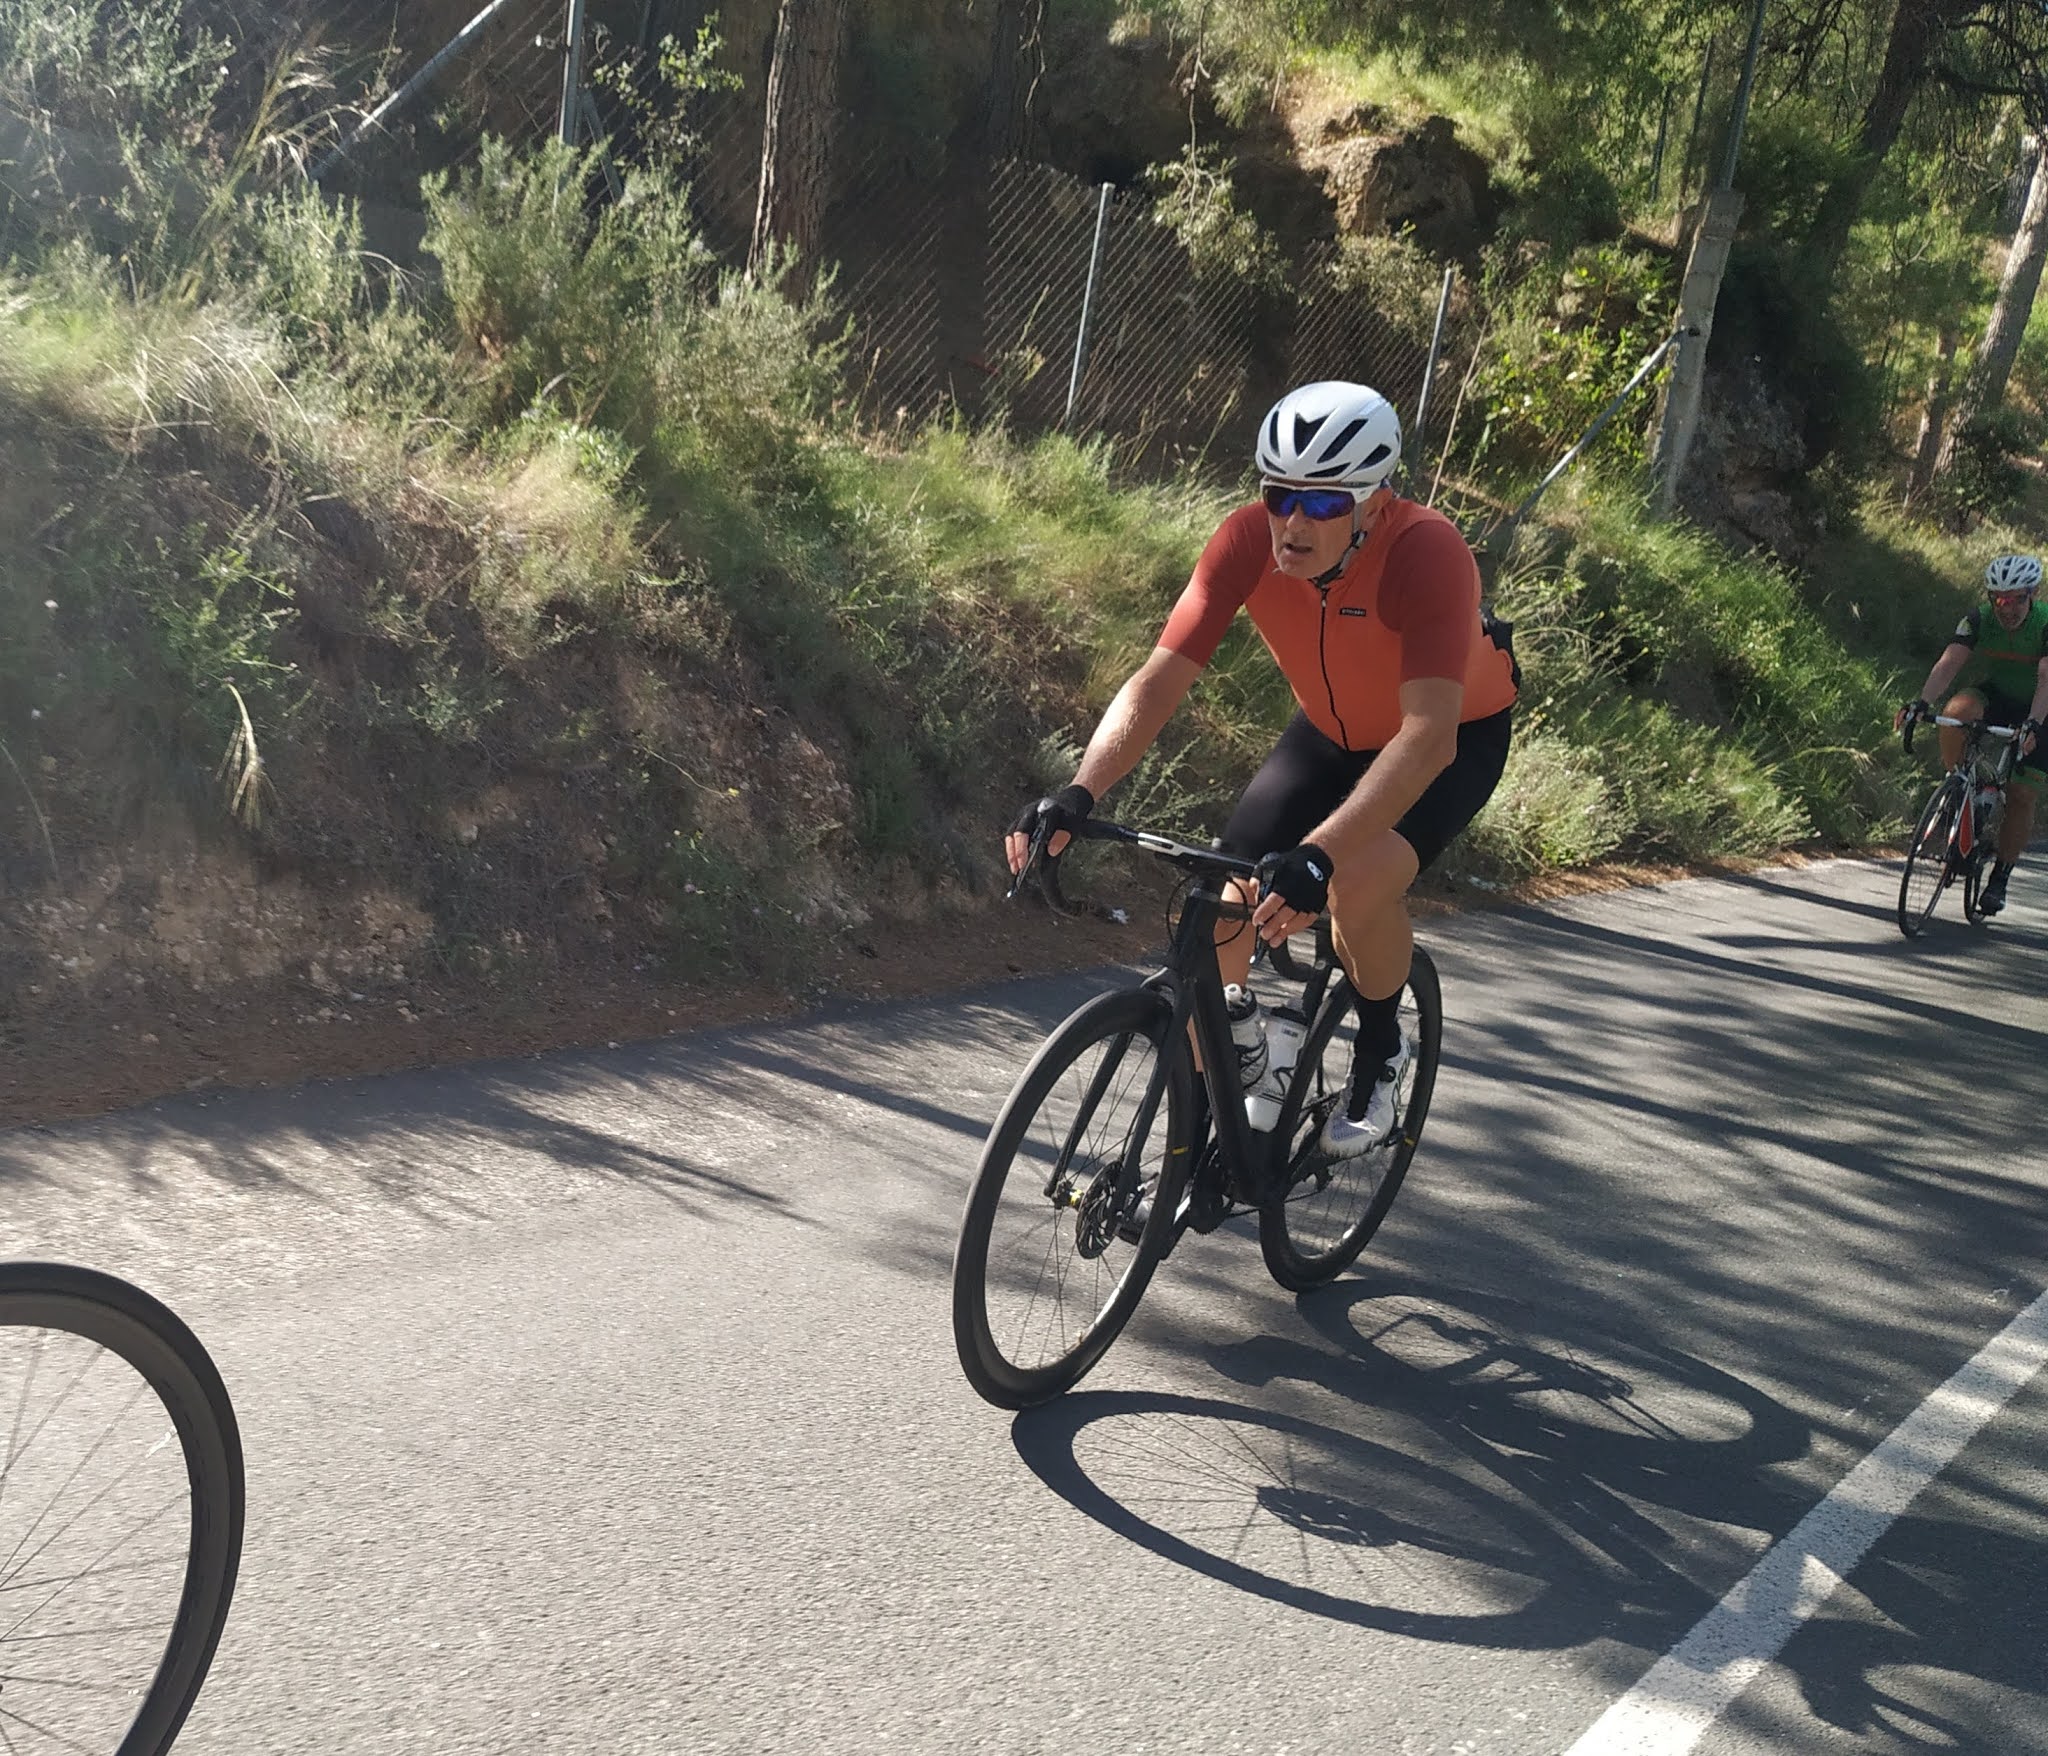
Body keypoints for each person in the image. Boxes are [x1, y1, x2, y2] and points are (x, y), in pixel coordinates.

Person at [1006, 381, 1518, 1157]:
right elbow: (1158, 680)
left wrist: (1319, 854)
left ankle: (1381, 1048)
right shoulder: (1245, 541)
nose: (1293, 522)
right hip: (1329, 731)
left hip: (1450, 736)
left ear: (1375, 503)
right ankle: (1235, 1072)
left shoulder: (1426, 551)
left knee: (1353, 884)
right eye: (1280, 495)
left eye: (1323, 503)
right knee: (1222, 895)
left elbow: (1426, 737)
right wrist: (1080, 790)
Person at [1895, 552, 2048, 916]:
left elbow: (2046, 678)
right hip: (1998, 695)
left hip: (2041, 707)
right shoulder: (1978, 619)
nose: (2007, 609)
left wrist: (2033, 724)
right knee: (1956, 713)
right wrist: (1921, 702)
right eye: (1999, 600)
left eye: (2016, 599)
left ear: (2033, 594)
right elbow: (1950, 661)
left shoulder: (2044, 624)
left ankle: (2000, 877)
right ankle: (1960, 788)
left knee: (2022, 794)